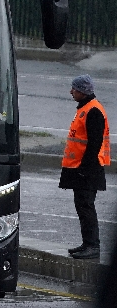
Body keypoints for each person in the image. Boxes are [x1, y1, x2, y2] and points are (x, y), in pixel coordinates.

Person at [59, 74, 109, 259]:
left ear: (82, 91)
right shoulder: (86, 107)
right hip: (82, 168)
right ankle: (87, 243)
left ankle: (92, 246)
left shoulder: (93, 110)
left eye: (74, 88)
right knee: (82, 206)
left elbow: (94, 144)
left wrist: (84, 170)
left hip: (87, 169)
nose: (71, 91)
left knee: (86, 206)